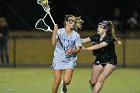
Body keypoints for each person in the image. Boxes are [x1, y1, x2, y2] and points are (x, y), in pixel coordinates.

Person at [81, 21, 121, 93]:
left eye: (100, 27)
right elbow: (83, 40)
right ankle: (93, 84)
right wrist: (73, 38)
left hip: (110, 61)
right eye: (98, 27)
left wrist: (86, 49)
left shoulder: (110, 38)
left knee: (100, 79)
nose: (98, 28)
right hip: (99, 59)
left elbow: (99, 46)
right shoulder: (96, 36)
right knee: (92, 81)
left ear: (105, 29)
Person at [51, 15, 84, 93]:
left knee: (67, 81)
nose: (73, 23)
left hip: (70, 59)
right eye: (71, 21)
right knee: (57, 80)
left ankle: (64, 85)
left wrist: (72, 51)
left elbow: (78, 49)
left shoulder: (76, 35)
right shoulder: (59, 32)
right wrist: (55, 31)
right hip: (58, 58)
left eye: (74, 21)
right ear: (66, 22)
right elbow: (53, 43)